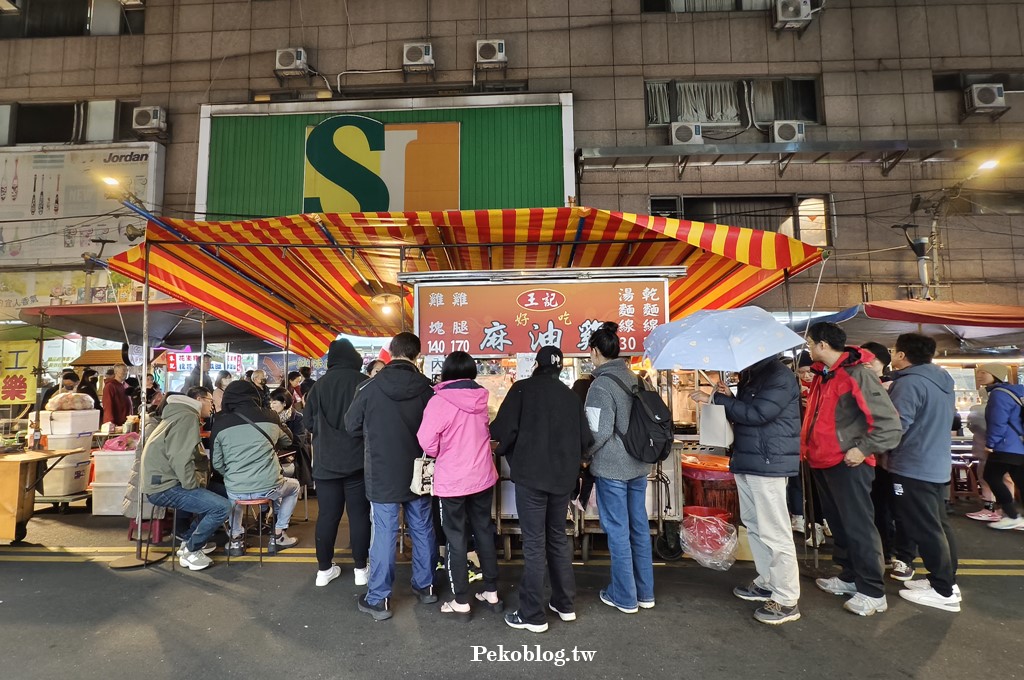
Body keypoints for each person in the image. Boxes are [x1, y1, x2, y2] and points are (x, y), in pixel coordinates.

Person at [690, 354, 802, 625]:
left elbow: (759, 414)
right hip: (749, 459)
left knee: (775, 531)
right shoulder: (756, 374)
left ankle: (787, 598)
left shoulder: (778, 376)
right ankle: (767, 581)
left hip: (767, 462)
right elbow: (749, 409)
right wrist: (731, 396)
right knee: (754, 525)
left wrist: (717, 400)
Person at [802, 322, 902, 617]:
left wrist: (863, 449)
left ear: (822, 345)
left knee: (858, 525)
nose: (808, 349)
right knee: (841, 525)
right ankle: (849, 576)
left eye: (810, 343)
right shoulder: (825, 375)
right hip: (823, 461)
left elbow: (889, 423)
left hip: (849, 463)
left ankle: (872, 590)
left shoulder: (857, 374)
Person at [491, 346, 593, 633]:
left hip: (531, 479)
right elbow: (586, 439)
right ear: (560, 368)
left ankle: (532, 614)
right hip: (562, 480)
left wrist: (505, 451)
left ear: (536, 364)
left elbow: (502, 430)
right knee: (558, 538)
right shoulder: (571, 397)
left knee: (535, 543)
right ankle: (564, 604)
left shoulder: (522, 389)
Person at [345, 332, 436, 621]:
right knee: (422, 526)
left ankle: (379, 600)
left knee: (384, 531)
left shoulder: (369, 387)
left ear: (391, 352)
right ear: (416, 356)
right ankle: (426, 587)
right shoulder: (428, 389)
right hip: (420, 470)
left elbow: (351, 425)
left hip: (382, 470)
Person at [417, 351, 501, 619]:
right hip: (483, 477)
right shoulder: (481, 398)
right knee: (483, 532)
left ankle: (461, 600)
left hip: (453, 480)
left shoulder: (439, 401)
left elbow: (426, 441)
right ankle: (491, 591)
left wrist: (444, 450)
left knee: (456, 537)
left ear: (447, 372)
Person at [884, 333, 961, 613]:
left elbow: (896, 427)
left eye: (894, 350)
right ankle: (947, 583)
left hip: (913, 464)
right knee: (939, 524)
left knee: (925, 528)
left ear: (902, 355)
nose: (893, 354)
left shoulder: (910, 383)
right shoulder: (943, 380)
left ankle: (943, 590)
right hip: (937, 463)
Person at [584, 322, 656, 615]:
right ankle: (645, 592)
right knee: (639, 528)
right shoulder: (637, 378)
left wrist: (585, 455)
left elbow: (597, 432)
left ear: (595, 352)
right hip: (638, 466)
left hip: (613, 469)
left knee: (617, 531)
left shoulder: (600, 385)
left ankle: (624, 596)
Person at [303, 339, 371, 588]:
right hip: (358, 461)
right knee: (359, 515)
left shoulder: (318, 386)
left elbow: (308, 423)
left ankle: (323, 570)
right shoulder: (363, 382)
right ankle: (361, 570)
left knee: (328, 516)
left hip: (326, 462)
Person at [142, 391, 230, 571]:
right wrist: (193, 485)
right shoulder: (187, 417)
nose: (212, 405)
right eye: (210, 401)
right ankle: (191, 550)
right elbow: (180, 457)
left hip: (163, 481)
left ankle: (190, 542)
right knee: (221, 507)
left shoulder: (178, 414)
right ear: (199, 401)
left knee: (225, 494)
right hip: (165, 486)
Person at [212, 380, 300, 556]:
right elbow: (288, 441)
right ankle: (278, 534)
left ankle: (235, 539)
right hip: (270, 487)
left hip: (236, 488)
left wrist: (231, 475)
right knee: (294, 486)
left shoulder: (219, 422)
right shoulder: (270, 416)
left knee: (233, 494)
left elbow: (217, 463)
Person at [860, 341, 907, 573]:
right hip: (873, 457)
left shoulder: (890, 386)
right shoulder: (867, 384)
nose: (864, 363)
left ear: (881, 362)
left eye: (869, 359)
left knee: (886, 507)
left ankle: (891, 552)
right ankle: (884, 551)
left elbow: (892, 425)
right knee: (877, 507)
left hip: (886, 458)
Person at [976, 363, 1024, 530]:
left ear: (995, 375)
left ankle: (1011, 515)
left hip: (1005, 445)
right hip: (1019, 445)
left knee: (991, 476)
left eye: (983, 372)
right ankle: (1016, 516)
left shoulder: (998, 394)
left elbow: (998, 422)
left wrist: (991, 443)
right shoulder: (1015, 391)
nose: (979, 375)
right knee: (1020, 480)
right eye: (978, 372)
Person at [965, 370, 1002, 522]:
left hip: (984, 447)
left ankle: (989, 508)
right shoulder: (1009, 404)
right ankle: (1004, 510)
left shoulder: (977, 409)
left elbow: (972, 426)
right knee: (1005, 478)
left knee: (986, 476)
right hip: (1006, 448)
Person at [269, 387, 312, 487]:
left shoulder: (297, 418)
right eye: (270, 402)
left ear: (284, 403)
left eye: (274, 402)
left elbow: (298, 442)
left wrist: (279, 443)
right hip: (275, 458)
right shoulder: (270, 418)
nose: (271, 406)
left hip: (295, 458)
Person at [101, 363, 132, 428]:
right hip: (115, 423)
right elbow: (108, 405)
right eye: (123, 370)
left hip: (126, 422)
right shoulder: (110, 386)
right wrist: (110, 422)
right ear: (116, 372)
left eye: (127, 370)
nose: (126, 372)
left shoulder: (126, 385)